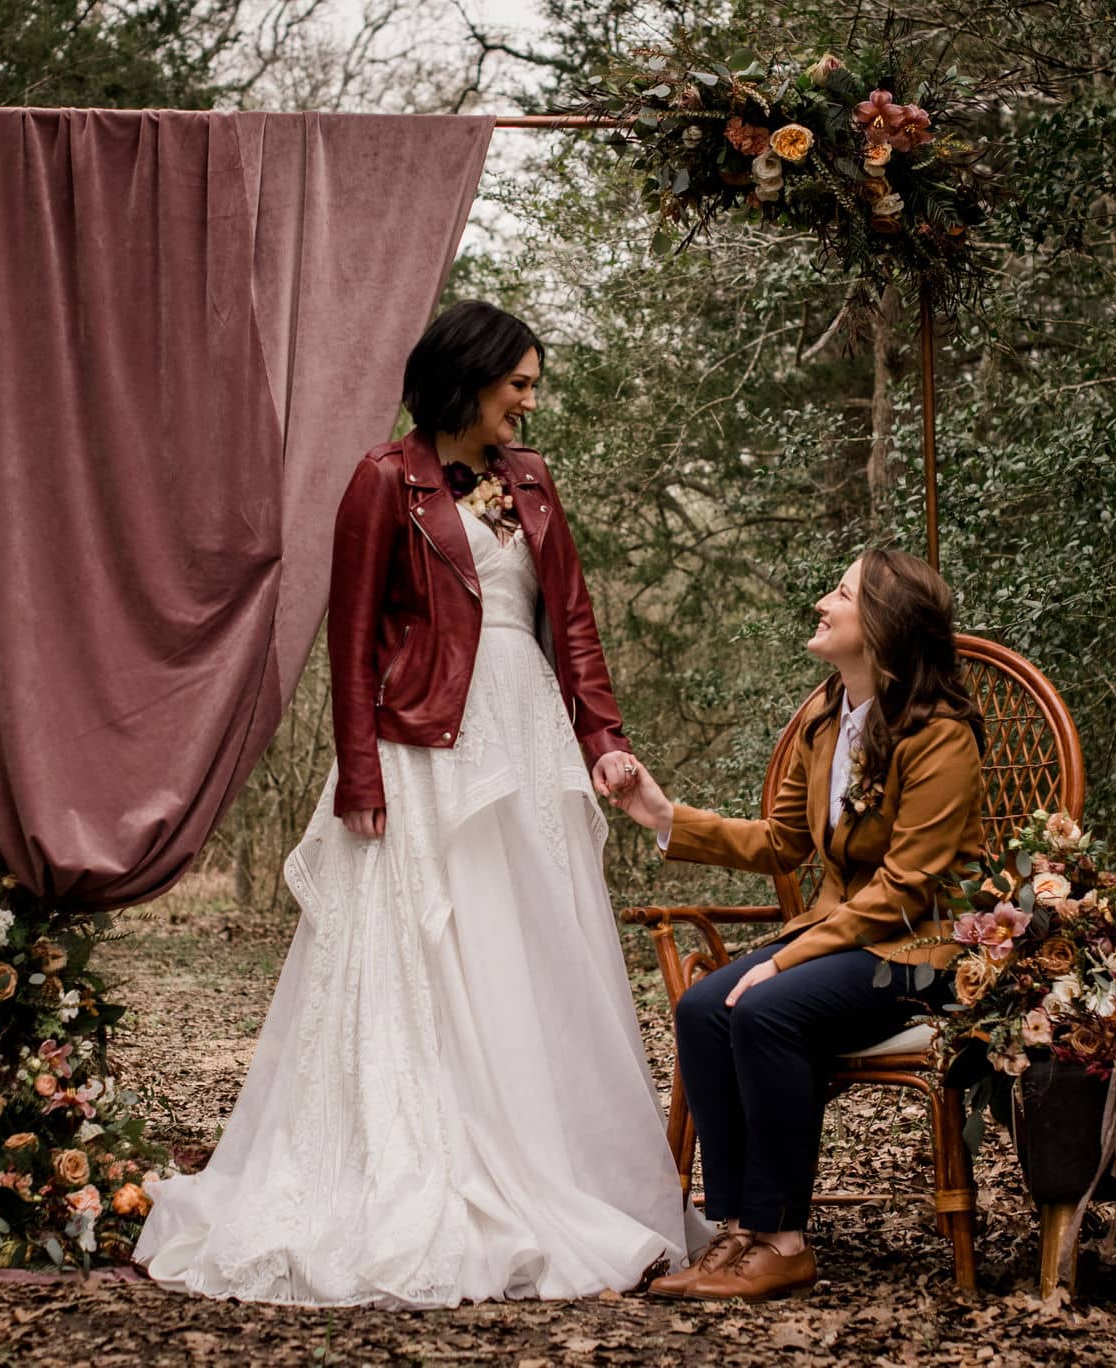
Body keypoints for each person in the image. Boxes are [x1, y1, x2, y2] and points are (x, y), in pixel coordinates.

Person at [135, 300, 701, 1306]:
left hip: (524, 738)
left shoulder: (530, 481)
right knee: (431, 953)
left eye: (532, 384)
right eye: (516, 383)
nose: (528, 402)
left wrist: (604, 744)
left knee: (533, 949)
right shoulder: (383, 479)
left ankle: (550, 1164)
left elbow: (569, 623)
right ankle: (426, 1162)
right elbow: (348, 639)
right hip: (424, 747)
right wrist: (358, 772)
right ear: (466, 378)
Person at [607, 548, 986, 1302]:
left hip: (925, 952)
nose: (823, 601)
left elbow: (907, 889)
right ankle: (739, 1232)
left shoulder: (941, 735)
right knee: (702, 1006)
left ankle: (783, 1239)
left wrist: (783, 961)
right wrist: (660, 815)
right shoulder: (823, 719)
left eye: (841, 594)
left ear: (881, 626)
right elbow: (781, 844)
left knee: (767, 1007)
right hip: (845, 938)